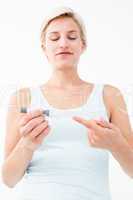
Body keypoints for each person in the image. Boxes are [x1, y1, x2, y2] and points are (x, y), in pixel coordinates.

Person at [1, 6, 133, 200]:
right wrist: (27, 144)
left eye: (72, 37)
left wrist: (117, 145)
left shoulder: (109, 95)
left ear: (83, 45)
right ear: (44, 48)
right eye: (54, 38)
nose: (63, 43)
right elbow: (8, 179)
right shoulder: (23, 99)